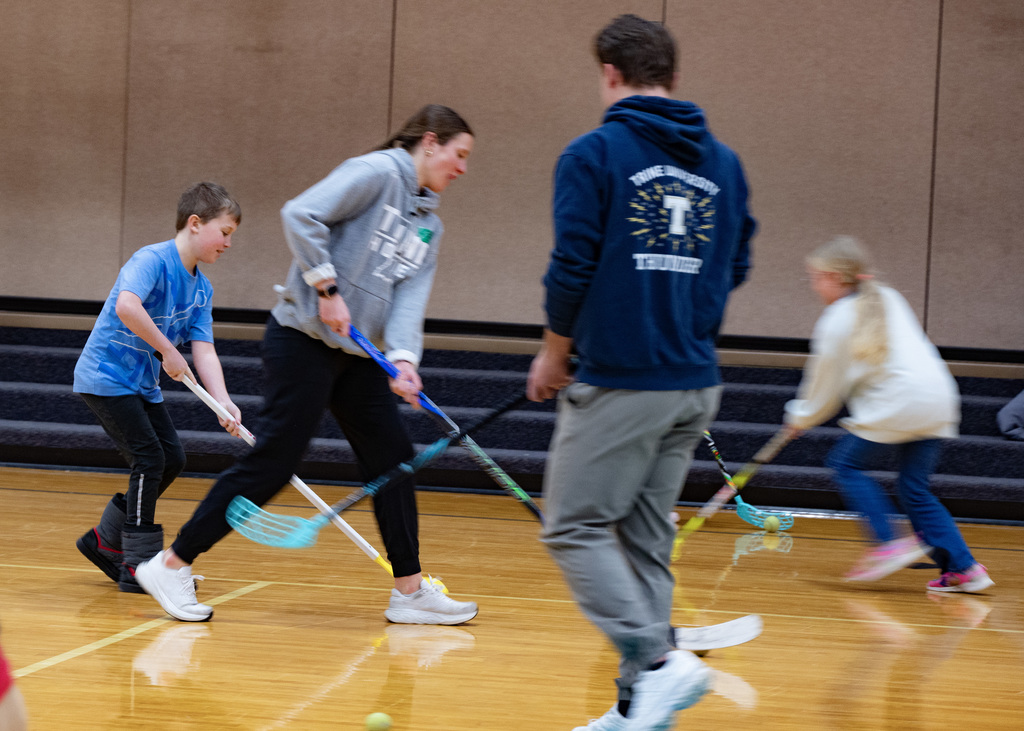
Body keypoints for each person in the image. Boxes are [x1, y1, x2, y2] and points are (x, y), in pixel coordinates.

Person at [136, 104, 479, 626]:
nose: (462, 167)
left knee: (394, 460)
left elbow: (408, 298)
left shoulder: (428, 225)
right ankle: (170, 563)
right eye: (459, 154)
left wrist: (405, 360)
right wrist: (326, 286)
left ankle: (409, 591)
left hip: (359, 355)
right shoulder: (377, 172)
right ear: (429, 142)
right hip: (302, 338)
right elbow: (301, 213)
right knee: (274, 460)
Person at [527, 15, 756, 730]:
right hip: (695, 379)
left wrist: (555, 347)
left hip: (627, 378)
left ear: (609, 75)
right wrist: (685, 315)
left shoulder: (594, 153)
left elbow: (574, 264)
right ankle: (635, 710)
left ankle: (657, 663)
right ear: (675, 78)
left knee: (571, 526)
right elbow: (738, 261)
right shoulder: (725, 163)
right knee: (645, 538)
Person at [784, 235, 994, 593]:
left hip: (899, 402)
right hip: (938, 398)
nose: (813, 284)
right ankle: (964, 568)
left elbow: (823, 387)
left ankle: (887, 542)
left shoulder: (835, 320)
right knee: (915, 488)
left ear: (835, 277)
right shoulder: (889, 297)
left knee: (845, 465)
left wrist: (800, 417)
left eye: (816, 276)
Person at [74, 182, 243, 593]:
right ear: (195, 223)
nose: (228, 244)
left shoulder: (202, 289)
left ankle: (104, 541)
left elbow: (204, 350)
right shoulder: (151, 260)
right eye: (225, 233)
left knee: (172, 458)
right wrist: (168, 350)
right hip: (106, 377)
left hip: (140, 385)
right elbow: (127, 306)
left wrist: (223, 402)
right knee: (149, 458)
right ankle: (137, 564)